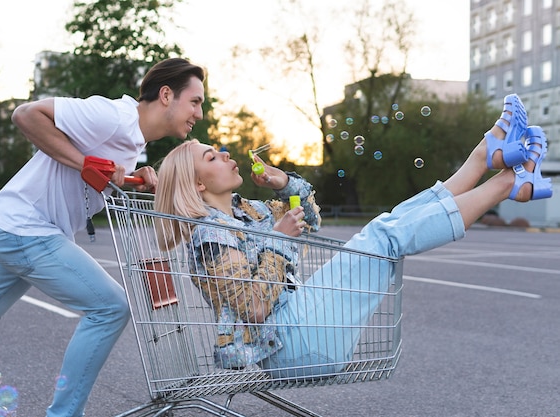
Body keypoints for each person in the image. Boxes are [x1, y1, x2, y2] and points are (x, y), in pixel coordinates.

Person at [153, 93, 552, 379]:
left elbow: (309, 218)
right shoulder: (209, 237)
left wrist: (283, 182)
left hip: (302, 327)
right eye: (211, 157)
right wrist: (277, 240)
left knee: (388, 223)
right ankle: (507, 182)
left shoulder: (248, 211)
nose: (224, 154)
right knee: (382, 236)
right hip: (288, 344)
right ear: (198, 186)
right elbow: (255, 308)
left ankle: (483, 159)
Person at [0, 58, 205, 417]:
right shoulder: (111, 116)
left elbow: (101, 171)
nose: (199, 114)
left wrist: (135, 176)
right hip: (27, 229)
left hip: (22, 227)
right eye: (196, 102)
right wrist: (85, 163)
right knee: (110, 308)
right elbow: (26, 115)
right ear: (167, 95)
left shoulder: (132, 139)